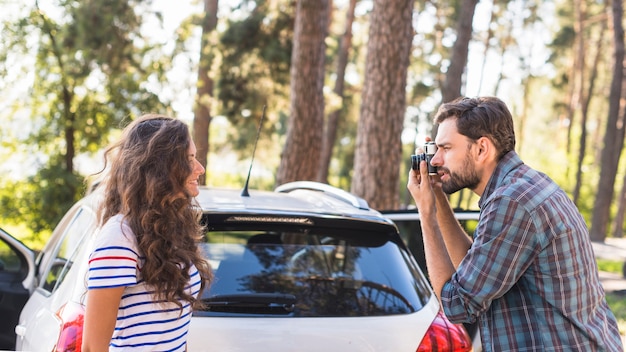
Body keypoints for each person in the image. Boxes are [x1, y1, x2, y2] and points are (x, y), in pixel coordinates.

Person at [407, 96, 623, 351]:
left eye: (446, 148)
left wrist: (426, 213)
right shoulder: (525, 186)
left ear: (481, 149)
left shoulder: (512, 202)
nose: (435, 161)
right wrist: (437, 197)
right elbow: (473, 271)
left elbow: (457, 305)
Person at [82, 115, 213, 351]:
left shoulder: (173, 228)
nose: (200, 168)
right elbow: (93, 347)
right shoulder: (120, 236)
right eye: (190, 159)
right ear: (160, 167)